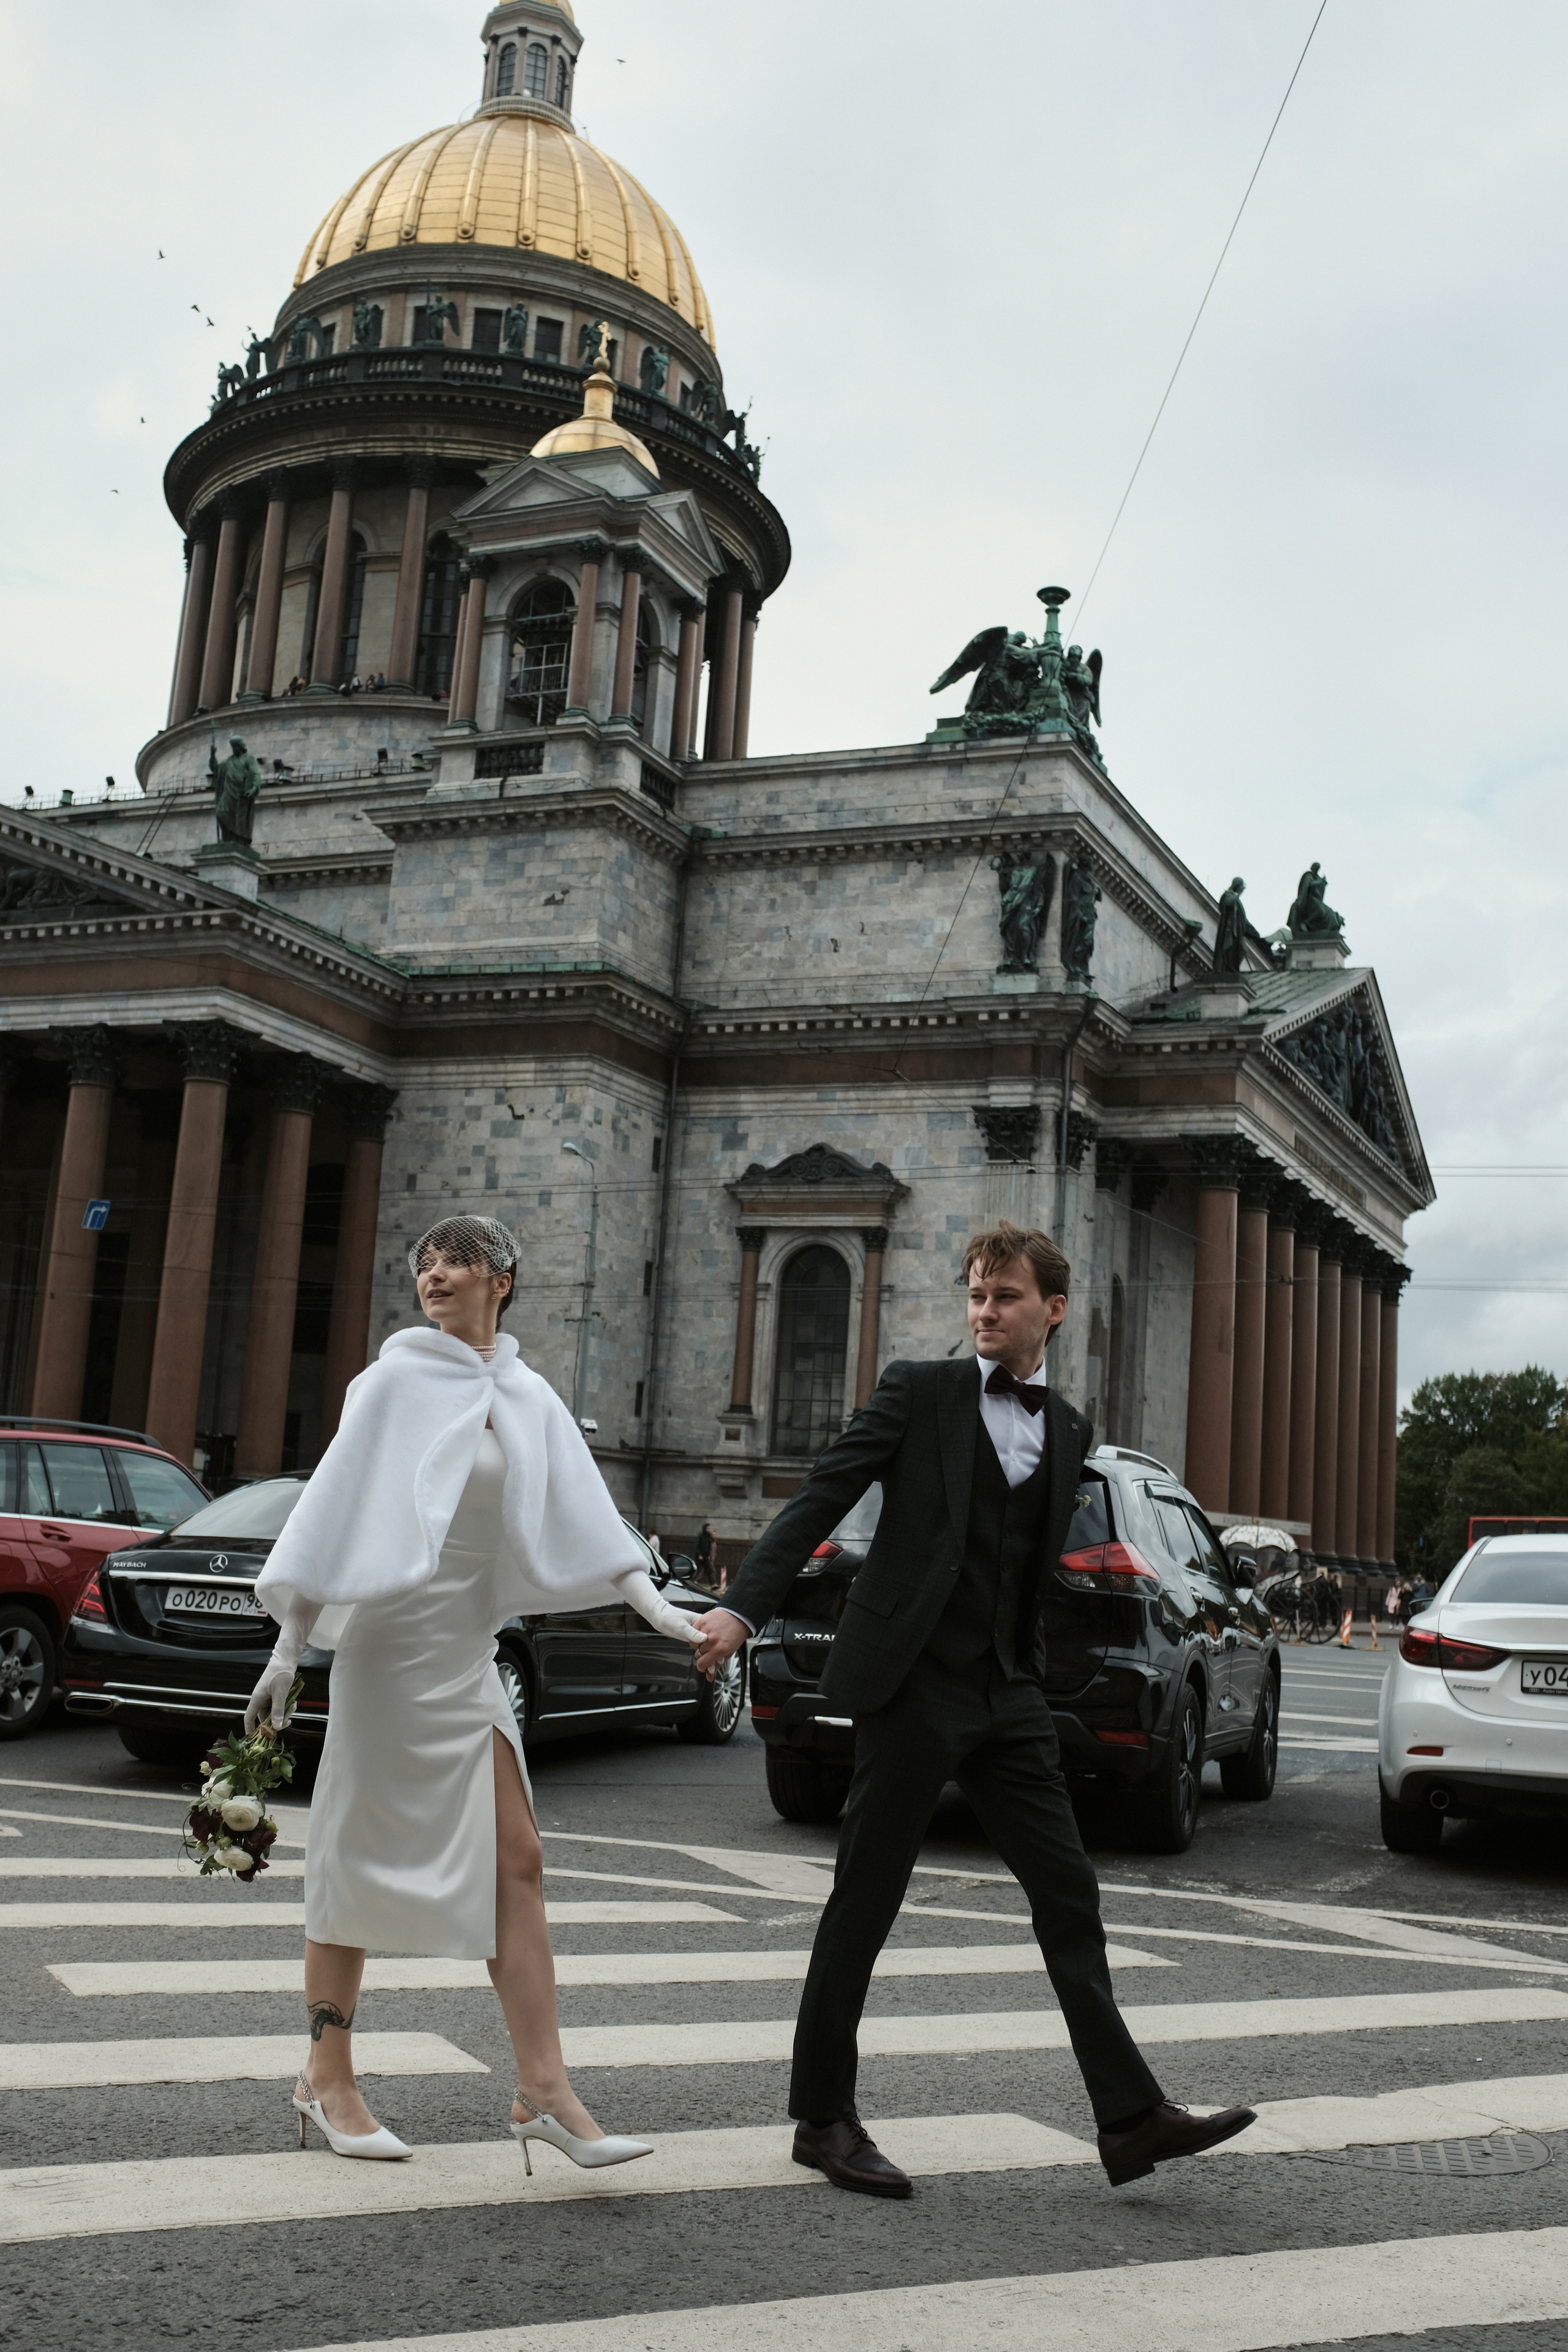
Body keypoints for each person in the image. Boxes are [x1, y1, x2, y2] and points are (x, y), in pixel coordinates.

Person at [692, 1221, 1255, 2199]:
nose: (985, 1312)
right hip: (913, 1685)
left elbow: (1031, 1569)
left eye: (1004, 1297)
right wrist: (744, 1606)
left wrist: (1028, 1671)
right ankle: (823, 2120)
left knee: (1069, 1895)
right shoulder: (922, 1390)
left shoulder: (1071, 1429)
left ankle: (1128, 2119)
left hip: (1006, 1691)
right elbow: (823, 1497)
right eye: (976, 1296)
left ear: (1054, 1309)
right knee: (865, 1901)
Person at [249, 1214, 700, 2169]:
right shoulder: (390, 1383)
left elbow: (586, 1510)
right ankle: (326, 2079)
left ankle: (544, 2093)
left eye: (457, 1260)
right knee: (354, 1859)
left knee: (520, 1860)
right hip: (387, 1653)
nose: (436, 1274)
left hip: (466, 1658)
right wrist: (289, 1650)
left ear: (503, 1279)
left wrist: (658, 1612)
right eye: (425, 1263)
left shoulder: (527, 1394)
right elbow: (334, 1513)